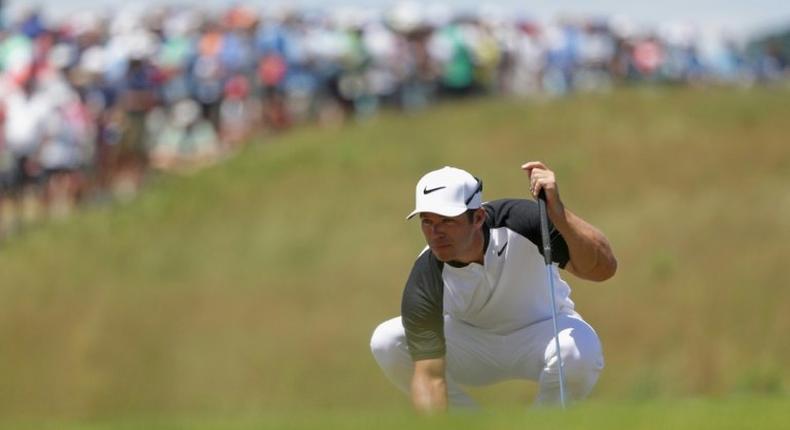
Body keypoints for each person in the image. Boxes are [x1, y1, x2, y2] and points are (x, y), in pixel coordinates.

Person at [370, 162, 617, 413]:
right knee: (387, 341)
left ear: (478, 217)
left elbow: (603, 269)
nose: (436, 233)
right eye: (427, 221)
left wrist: (559, 213)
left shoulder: (523, 222)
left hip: (541, 333)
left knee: (579, 350)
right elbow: (430, 377)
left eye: (447, 220)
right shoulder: (426, 276)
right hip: (474, 346)